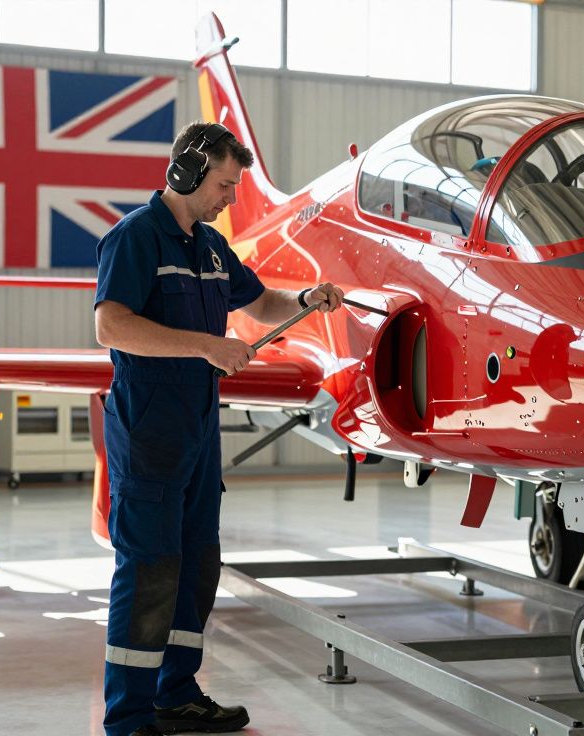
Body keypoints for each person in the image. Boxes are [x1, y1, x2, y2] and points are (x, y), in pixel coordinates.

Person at [93, 121, 344, 736]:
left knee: (198, 564)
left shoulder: (209, 246)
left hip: (199, 428)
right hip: (150, 428)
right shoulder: (134, 239)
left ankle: (176, 692)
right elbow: (112, 328)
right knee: (149, 568)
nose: (231, 198)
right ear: (186, 171)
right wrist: (208, 346)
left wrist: (309, 299)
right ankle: (128, 718)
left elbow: (260, 306)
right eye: (225, 185)